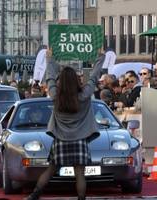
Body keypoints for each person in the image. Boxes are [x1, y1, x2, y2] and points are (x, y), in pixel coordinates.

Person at [26, 49, 105, 200]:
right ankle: (81, 199)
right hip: (80, 140)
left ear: (60, 82)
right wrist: (101, 57)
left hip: (61, 140)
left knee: (50, 170)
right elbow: (94, 77)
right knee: (79, 174)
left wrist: (49, 58)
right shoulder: (85, 95)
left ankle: (34, 195)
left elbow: (49, 78)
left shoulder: (55, 96)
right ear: (76, 80)